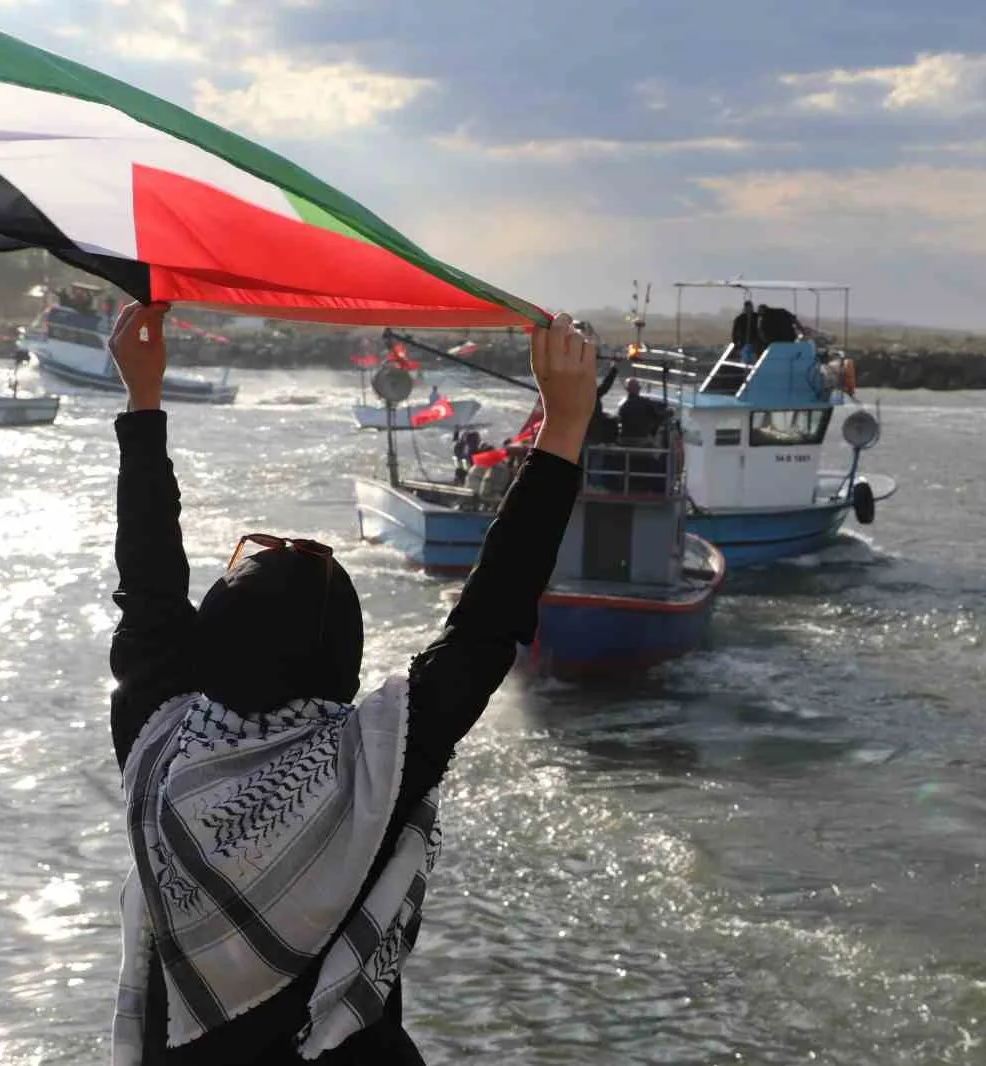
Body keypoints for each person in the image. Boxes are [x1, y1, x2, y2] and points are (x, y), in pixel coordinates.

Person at [104, 301, 596, 1065]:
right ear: (340, 665)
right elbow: (488, 624)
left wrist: (142, 401)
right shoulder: (374, 767)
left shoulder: (156, 743)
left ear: (204, 644)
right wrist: (563, 427)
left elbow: (148, 591)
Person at [616, 377, 661, 442]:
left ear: (627, 389)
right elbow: (657, 415)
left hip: (625, 439)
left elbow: (620, 420)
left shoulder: (623, 406)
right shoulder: (645, 403)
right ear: (639, 389)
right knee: (656, 449)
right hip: (642, 439)